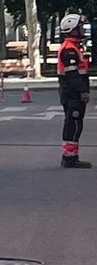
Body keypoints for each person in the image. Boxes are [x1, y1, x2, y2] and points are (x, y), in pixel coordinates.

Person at [59, 14, 90, 169]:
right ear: (72, 29)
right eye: (80, 27)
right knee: (73, 125)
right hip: (73, 95)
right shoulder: (69, 50)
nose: (83, 30)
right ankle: (69, 158)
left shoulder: (75, 47)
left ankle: (71, 156)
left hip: (73, 94)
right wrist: (83, 92)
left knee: (75, 124)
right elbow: (72, 76)